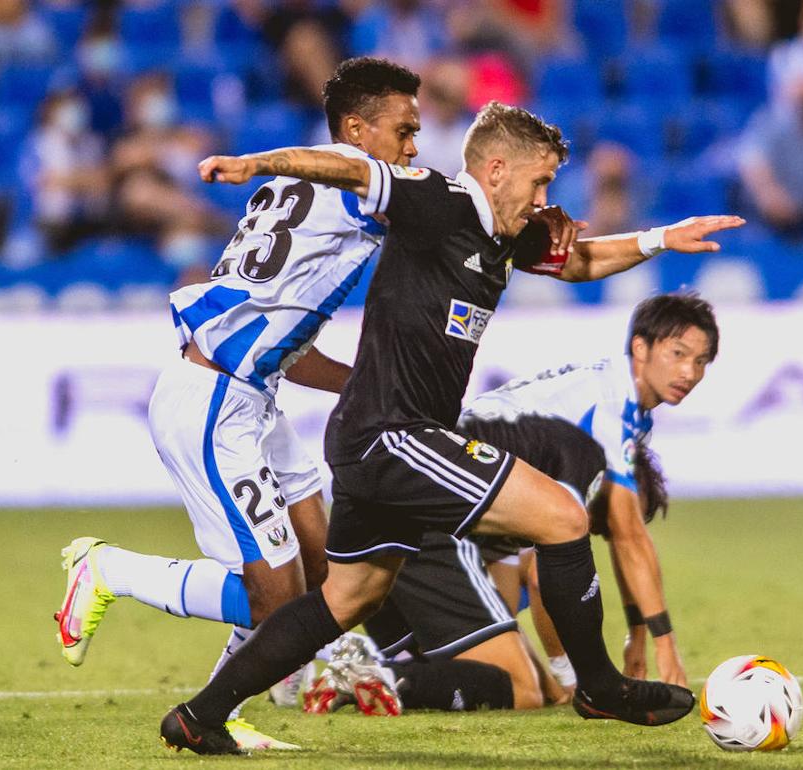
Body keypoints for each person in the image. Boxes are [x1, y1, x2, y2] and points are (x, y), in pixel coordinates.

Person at [159, 100, 743, 754]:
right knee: (564, 516)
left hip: (377, 438)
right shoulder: (438, 201)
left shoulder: (503, 234)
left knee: (345, 599)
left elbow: (575, 262)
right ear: (496, 170)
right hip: (392, 433)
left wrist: (662, 238)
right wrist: (251, 164)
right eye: (539, 182)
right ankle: (598, 686)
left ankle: (200, 715)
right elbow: (348, 172)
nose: (546, 197)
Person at [53, 56, 425, 750]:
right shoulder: (353, 187)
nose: (411, 149)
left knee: (322, 570)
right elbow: (440, 210)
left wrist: (364, 385)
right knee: (274, 596)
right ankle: (109, 570)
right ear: (355, 131)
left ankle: (227, 709)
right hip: (214, 404)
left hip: (254, 393)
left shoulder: (298, 188)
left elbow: (282, 340)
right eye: (403, 131)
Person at [357, 292, 718, 710]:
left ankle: (375, 667)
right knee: (520, 687)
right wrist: (660, 645)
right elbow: (617, 540)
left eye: (702, 362)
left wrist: (568, 675)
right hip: (430, 508)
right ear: (641, 347)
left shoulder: (604, 420)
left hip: (413, 507)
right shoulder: (610, 403)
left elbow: (510, 596)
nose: (689, 372)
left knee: (519, 684)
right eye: (679, 353)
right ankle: (374, 671)